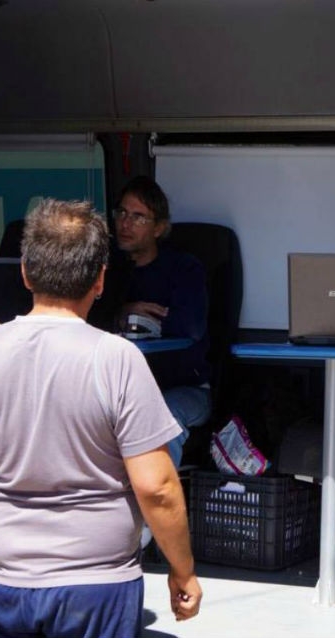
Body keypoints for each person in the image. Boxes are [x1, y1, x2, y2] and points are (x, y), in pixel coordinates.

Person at [0, 199, 202, 637]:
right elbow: (156, 487)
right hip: (97, 585)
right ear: (100, 280)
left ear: (25, 272)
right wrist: (183, 570)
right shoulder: (118, 359)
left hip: (4, 582)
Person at [114, 175, 211, 469]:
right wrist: (124, 312)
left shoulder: (184, 269)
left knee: (162, 416)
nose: (126, 223)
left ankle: (156, 497)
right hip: (121, 389)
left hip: (185, 388)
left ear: (159, 228)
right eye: (122, 213)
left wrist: (145, 325)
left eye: (138, 217)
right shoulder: (108, 269)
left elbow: (191, 327)